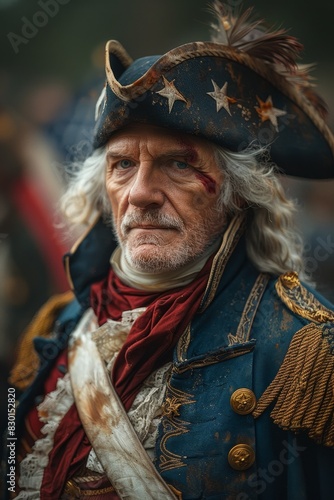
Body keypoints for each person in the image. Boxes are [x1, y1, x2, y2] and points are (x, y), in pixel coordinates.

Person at [3, 2, 334, 499]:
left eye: (178, 164)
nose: (140, 192)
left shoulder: (306, 352)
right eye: (121, 165)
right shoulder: (52, 330)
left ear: (236, 192)